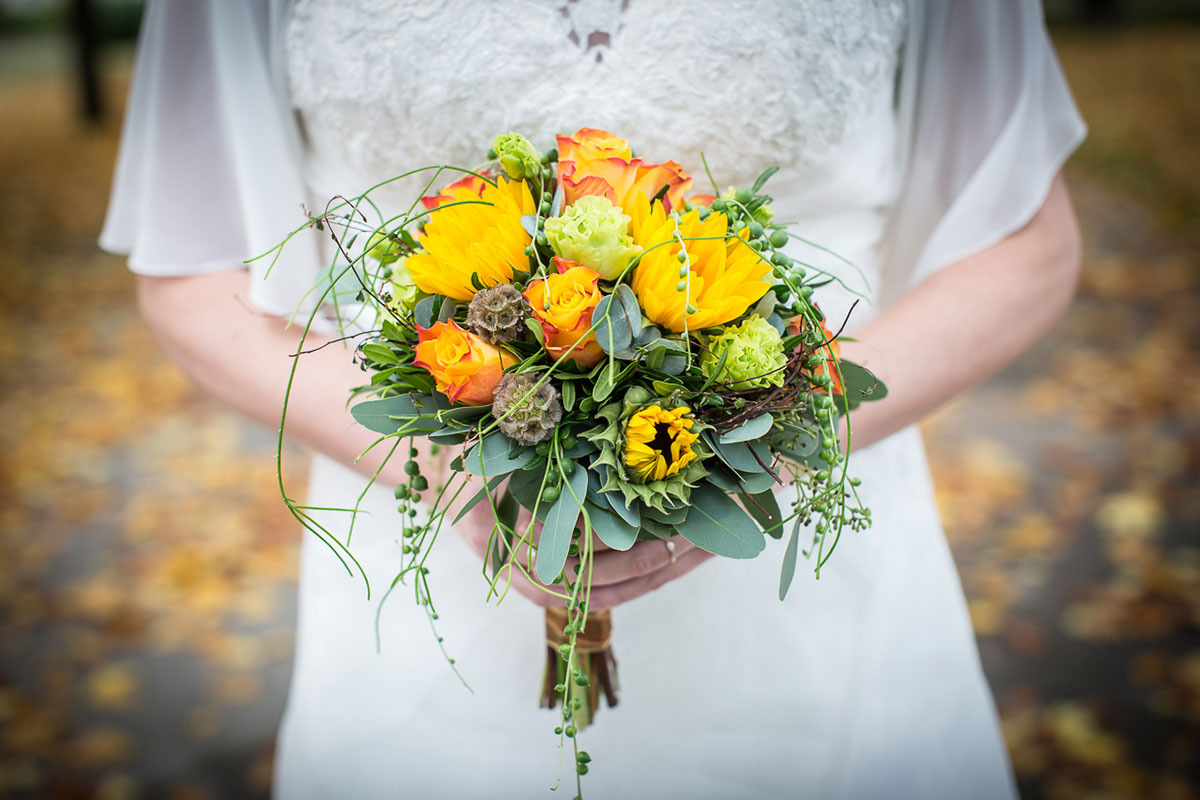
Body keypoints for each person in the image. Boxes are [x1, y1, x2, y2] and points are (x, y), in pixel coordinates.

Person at [101, 1, 1085, 797]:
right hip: (424, 575)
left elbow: (1029, 241)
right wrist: (445, 462)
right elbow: (195, 274)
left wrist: (771, 441)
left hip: (817, 573)